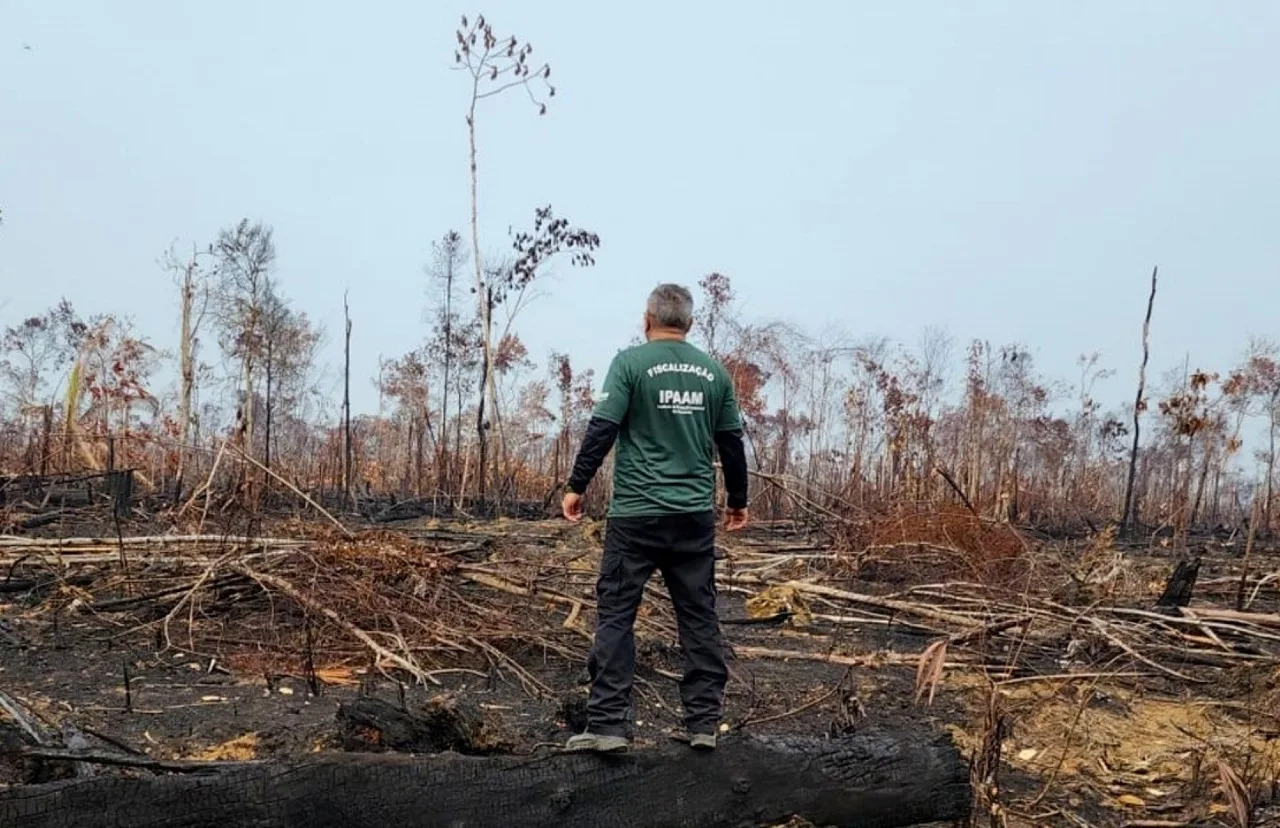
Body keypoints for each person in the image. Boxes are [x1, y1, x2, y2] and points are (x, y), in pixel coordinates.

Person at [560, 282, 750, 753]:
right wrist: (737, 499)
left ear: (646, 320)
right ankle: (703, 723)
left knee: (617, 615)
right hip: (692, 517)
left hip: (636, 516)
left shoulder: (630, 364)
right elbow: (731, 442)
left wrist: (576, 486)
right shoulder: (714, 373)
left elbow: (602, 428)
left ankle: (606, 726)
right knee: (699, 615)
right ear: (689, 323)